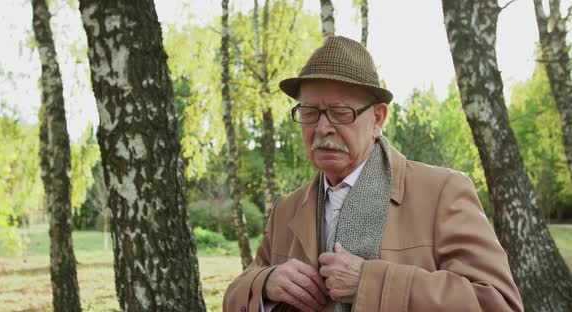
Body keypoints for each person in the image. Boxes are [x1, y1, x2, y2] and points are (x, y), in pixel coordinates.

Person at [223, 36, 523, 312]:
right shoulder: (286, 209)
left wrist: (369, 283)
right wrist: (267, 283)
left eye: (340, 112)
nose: (322, 127)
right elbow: (237, 293)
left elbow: (497, 302)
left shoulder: (442, 191)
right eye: (309, 112)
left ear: (377, 119)